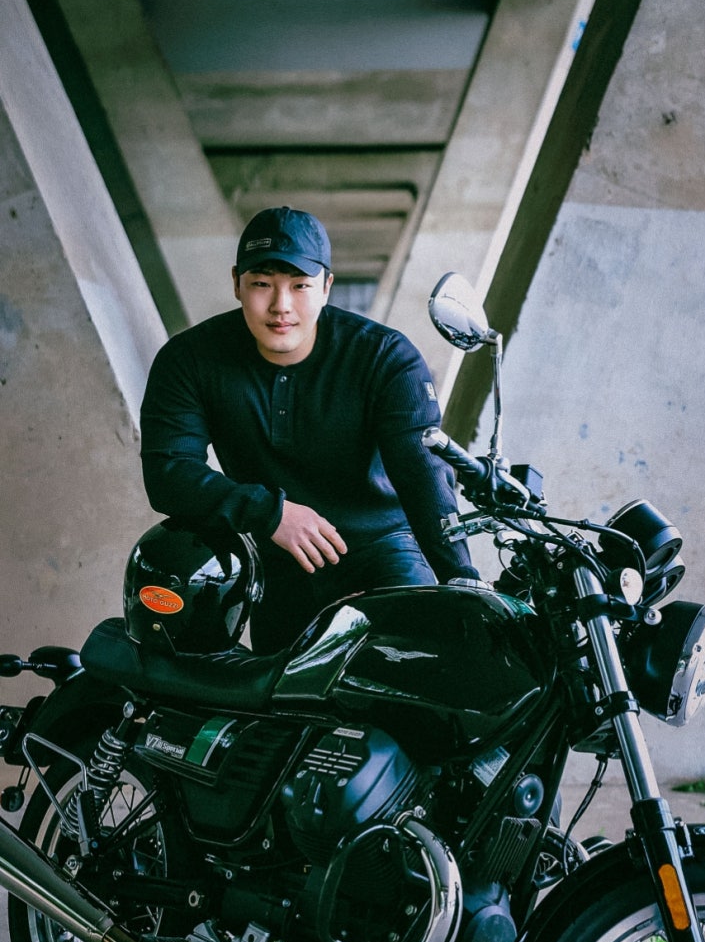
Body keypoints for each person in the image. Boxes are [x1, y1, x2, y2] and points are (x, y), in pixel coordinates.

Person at [139, 206, 479, 653]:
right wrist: (270, 514)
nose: (281, 305)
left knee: (418, 675)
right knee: (280, 691)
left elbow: (422, 472)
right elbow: (168, 473)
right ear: (237, 283)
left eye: (300, 285)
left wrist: (462, 578)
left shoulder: (385, 356)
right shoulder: (189, 359)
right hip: (277, 558)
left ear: (326, 287)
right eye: (262, 284)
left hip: (381, 551)